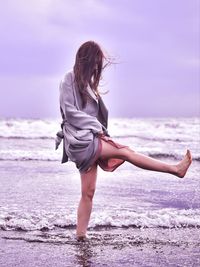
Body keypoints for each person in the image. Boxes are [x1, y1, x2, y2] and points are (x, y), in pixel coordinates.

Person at [55, 40, 192, 241]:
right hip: (82, 142)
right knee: (127, 152)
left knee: (88, 192)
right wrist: (97, 128)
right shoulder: (69, 78)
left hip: (88, 138)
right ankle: (175, 169)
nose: (96, 67)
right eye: (95, 62)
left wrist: (98, 129)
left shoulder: (88, 83)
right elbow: (69, 111)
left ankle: (80, 236)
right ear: (86, 59)